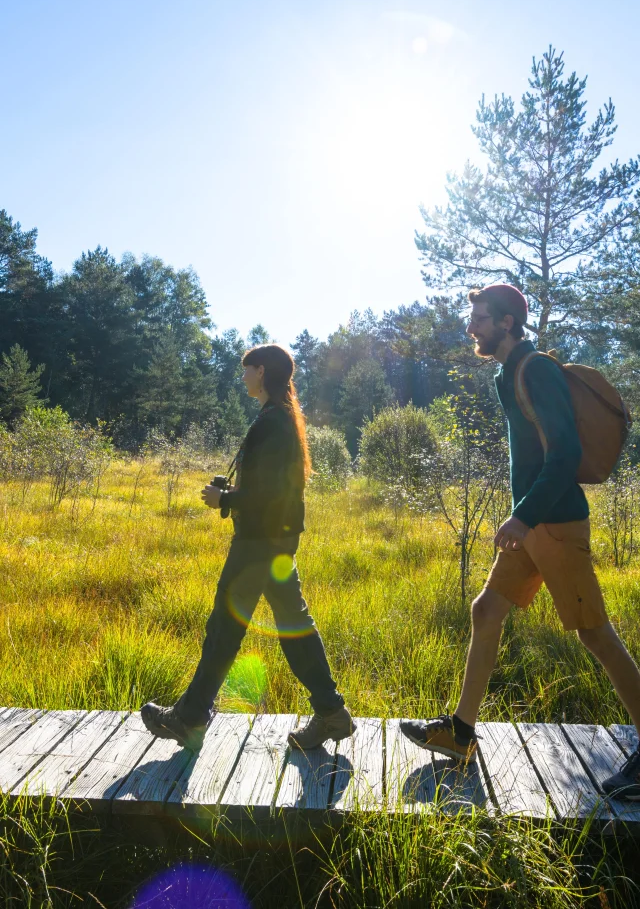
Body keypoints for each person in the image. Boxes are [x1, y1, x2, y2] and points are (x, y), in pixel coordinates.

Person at [400, 284, 640, 798]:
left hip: (555, 523)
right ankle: (461, 733)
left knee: (594, 634)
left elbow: (564, 454)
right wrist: (522, 519)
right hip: (531, 525)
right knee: (486, 610)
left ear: (507, 323)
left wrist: (522, 516)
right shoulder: (506, 374)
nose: (471, 328)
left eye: (480, 319)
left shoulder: (537, 370)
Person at [141, 344, 355, 752]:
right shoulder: (282, 417)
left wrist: (226, 499)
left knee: (224, 626)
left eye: (246, 370)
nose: (242, 378)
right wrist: (235, 492)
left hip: (258, 541)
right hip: (276, 539)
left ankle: (190, 718)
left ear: (261, 372)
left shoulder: (273, 421)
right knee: (294, 625)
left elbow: (269, 493)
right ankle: (332, 713)